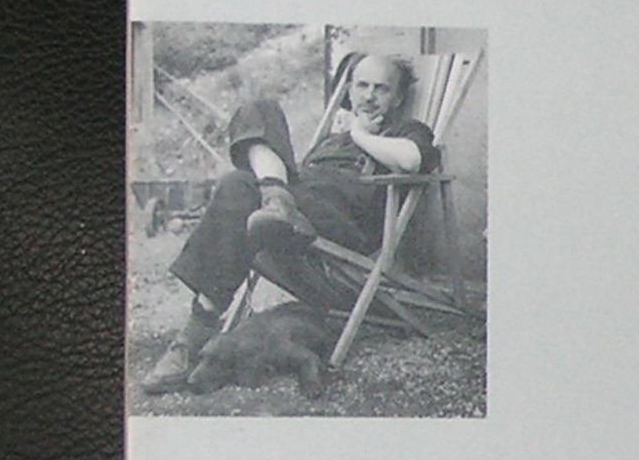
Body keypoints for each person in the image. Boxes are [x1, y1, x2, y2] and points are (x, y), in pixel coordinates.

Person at [142, 53, 437, 393]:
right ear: (350, 90)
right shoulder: (331, 138)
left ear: (398, 98)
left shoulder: (407, 131)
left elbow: (411, 161)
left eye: (381, 89)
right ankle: (275, 201)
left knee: (242, 187)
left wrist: (358, 133)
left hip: (344, 220)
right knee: (247, 146)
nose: (369, 96)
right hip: (298, 214)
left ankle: (195, 333)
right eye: (362, 86)